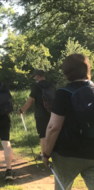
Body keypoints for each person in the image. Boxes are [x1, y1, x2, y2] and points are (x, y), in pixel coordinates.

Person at [43, 54, 94, 190]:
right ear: (87, 69)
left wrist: (46, 153)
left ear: (66, 71)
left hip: (67, 153)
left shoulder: (63, 93)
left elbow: (53, 127)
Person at [19, 69, 54, 160]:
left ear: (37, 76)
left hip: (41, 114)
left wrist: (22, 111)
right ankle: (51, 153)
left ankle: (43, 155)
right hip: (52, 113)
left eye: (34, 76)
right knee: (51, 133)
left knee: (42, 134)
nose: (34, 78)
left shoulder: (36, 86)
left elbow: (30, 101)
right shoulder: (51, 85)